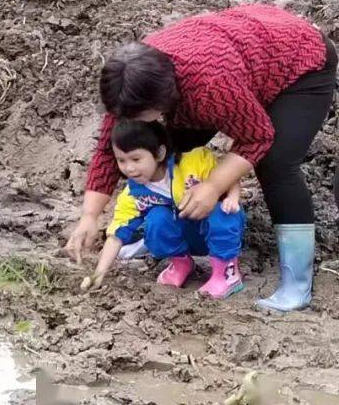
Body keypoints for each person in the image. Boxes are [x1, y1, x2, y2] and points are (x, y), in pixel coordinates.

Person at [65, 4, 337, 312]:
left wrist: (212, 186)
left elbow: (257, 136)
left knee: (275, 162)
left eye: (140, 116)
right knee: (165, 146)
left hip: (299, 61)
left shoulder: (210, 87)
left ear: (164, 102)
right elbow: (108, 147)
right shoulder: (134, 78)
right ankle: (167, 233)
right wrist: (89, 217)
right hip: (245, 50)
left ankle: (296, 283)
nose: (132, 121)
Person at [84, 120, 245, 299]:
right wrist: (98, 273)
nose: (129, 168)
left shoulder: (192, 161)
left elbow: (229, 176)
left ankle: (226, 273)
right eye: (121, 160)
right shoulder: (134, 194)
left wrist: (232, 198)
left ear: (159, 153)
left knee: (222, 211)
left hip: (217, 231)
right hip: (185, 238)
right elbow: (116, 235)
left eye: (136, 159)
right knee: (156, 218)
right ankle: (181, 263)